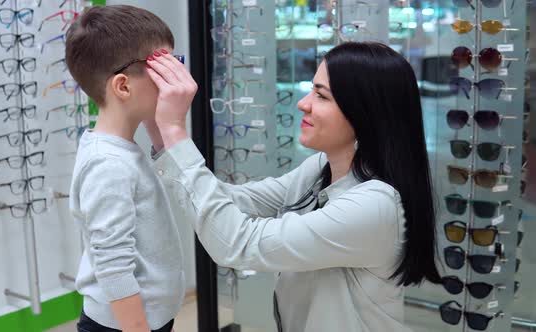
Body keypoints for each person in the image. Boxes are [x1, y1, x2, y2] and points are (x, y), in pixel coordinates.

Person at [143, 42, 442, 331]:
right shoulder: (322, 168)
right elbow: (233, 201)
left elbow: (237, 242)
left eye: (322, 96)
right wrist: (162, 134)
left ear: (365, 113)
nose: (303, 103)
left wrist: (176, 131)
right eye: (312, 89)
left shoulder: (374, 206)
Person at [66, 6, 184, 332]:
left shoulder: (119, 150)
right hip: (124, 325)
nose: (174, 80)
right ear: (123, 86)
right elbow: (114, 267)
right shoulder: (108, 165)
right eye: (163, 70)